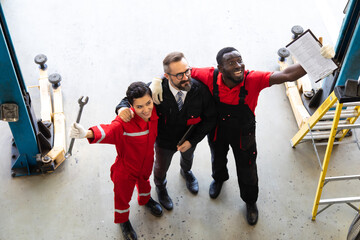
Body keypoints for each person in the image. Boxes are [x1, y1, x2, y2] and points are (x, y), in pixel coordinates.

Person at [149, 46, 335, 225]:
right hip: (217, 129)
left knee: (247, 168)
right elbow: (177, 72)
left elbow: (286, 75)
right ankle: (219, 179)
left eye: (239, 60)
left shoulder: (253, 79)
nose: (238, 65)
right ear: (220, 68)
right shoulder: (208, 75)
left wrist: (315, 59)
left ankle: (250, 201)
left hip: (243, 132)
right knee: (218, 158)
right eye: (231, 62)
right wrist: (157, 80)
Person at [115, 52, 217, 211]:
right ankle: (161, 188)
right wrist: (122, 109)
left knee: (188, 158)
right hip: (164, 141)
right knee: (161, 167)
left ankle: (186, 172)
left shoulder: (199, 90)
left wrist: (192, 141)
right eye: (179, 75)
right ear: (167, 76)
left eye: (187, 71)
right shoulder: (155, 89)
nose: (185, 78)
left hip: (189, 138)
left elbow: (210, 118)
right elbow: (128, 99)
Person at [69, 82, 162, 240]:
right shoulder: (124, 122)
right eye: (139, 107)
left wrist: (157, 80)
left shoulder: (154, 115)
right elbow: (109, 130)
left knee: (145, 182)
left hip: (146, 163)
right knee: (122, 197)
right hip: (126, 170)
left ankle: (146, 199)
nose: (146, 110)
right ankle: (123, 221)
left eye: (148, 103)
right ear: (131, 106)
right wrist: (86, 133)